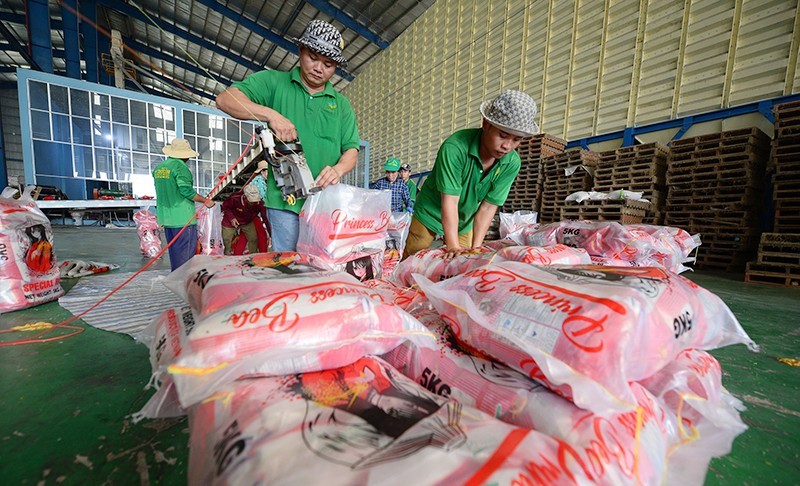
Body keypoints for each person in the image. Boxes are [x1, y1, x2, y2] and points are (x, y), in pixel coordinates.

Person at [216, 19, 360, 252]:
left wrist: (338, 169)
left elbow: (352, 149)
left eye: (328, 64)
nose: (319, 68)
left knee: (322, 266)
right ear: (300, 50)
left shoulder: (341, 105)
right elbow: (224, 100)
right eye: (313, 57)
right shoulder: (274, 83)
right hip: (285, 203)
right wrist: (271, 115)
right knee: (289, 267)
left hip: (325, 205)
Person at [404, 90, 539, 259]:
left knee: (464, 261)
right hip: (430, 212)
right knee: (413, 257)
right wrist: (452, 246)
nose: (507, 146)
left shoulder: (511, 163)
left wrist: (476, 248)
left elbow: (488, 207)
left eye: (516, 140)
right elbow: (450, 200)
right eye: (503, 136)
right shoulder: (455, 148)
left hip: (464, 221)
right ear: (486, 124)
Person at [152, 138, 215, 271]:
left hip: (167, 218)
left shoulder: (159, 168)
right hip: (183, 218)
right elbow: (186, 192)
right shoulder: (180, 167)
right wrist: (206, 201)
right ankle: (183, 285)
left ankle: (176, 280)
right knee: (186, 257)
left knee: (175, 254)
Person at [221, 183, 268, 255]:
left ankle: (253, 255)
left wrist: (269, 231)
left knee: (253, 239)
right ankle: (227, 255)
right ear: (245, 197)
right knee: (227, 239)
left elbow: (265, 217)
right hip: (230, 221)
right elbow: (225, 207)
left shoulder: (259, 203)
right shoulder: (234, 198)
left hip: (247, 222)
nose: (253, 203)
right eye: (251, 201)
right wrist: (232, 218)